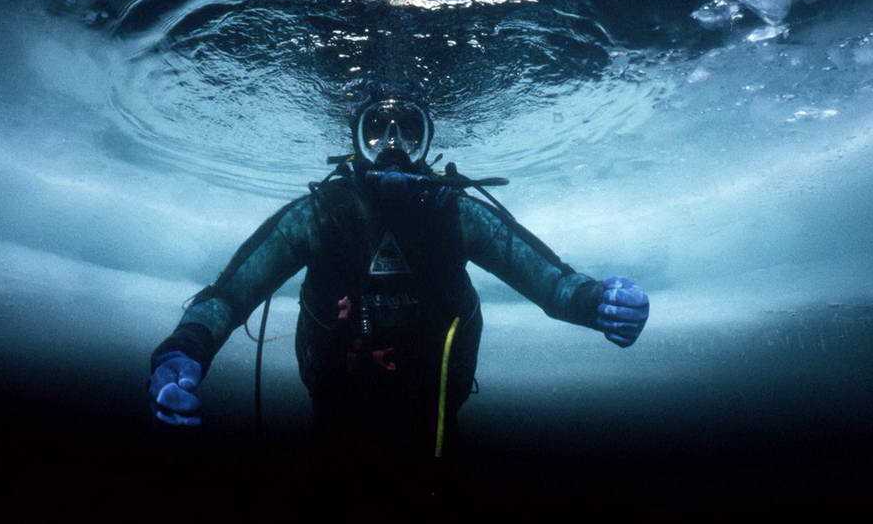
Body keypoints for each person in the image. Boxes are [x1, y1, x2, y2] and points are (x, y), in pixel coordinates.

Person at [148, 89, 649, 459]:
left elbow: (552, 283)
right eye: (377, 131)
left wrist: (598, 303)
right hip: (337, 403)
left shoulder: (455, 213)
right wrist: (185, 349)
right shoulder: (320, 214)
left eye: (409, 133)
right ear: (354, 144)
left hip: (431, 409)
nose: (392, 146)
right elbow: (232, 294)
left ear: (427, 145)